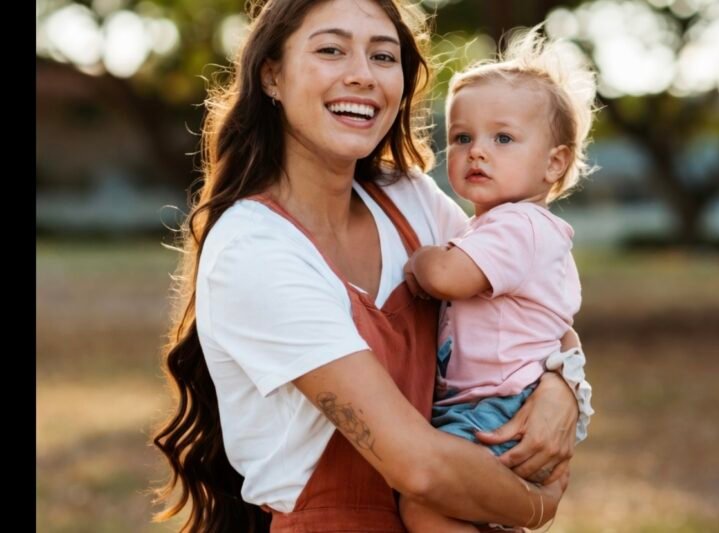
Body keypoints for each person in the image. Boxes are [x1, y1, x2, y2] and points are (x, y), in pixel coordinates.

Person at [152, 1, 592, 531]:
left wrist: (564, 385)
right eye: (332, 50)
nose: (362, 75)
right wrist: (539, 503)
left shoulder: (410, 202)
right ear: (273, 75)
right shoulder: (255, 248)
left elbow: (527, 300)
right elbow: (419, 468)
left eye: (383, 56)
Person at [398, 25, 596, 532]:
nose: (477, 151)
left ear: (555, 163)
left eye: (502, 138)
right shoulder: (498, 227)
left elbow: (448, 276)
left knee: (424, 505)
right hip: (498, 402)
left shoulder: (519, 226)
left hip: (497, 407)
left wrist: (422, 261)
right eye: (462, 138)